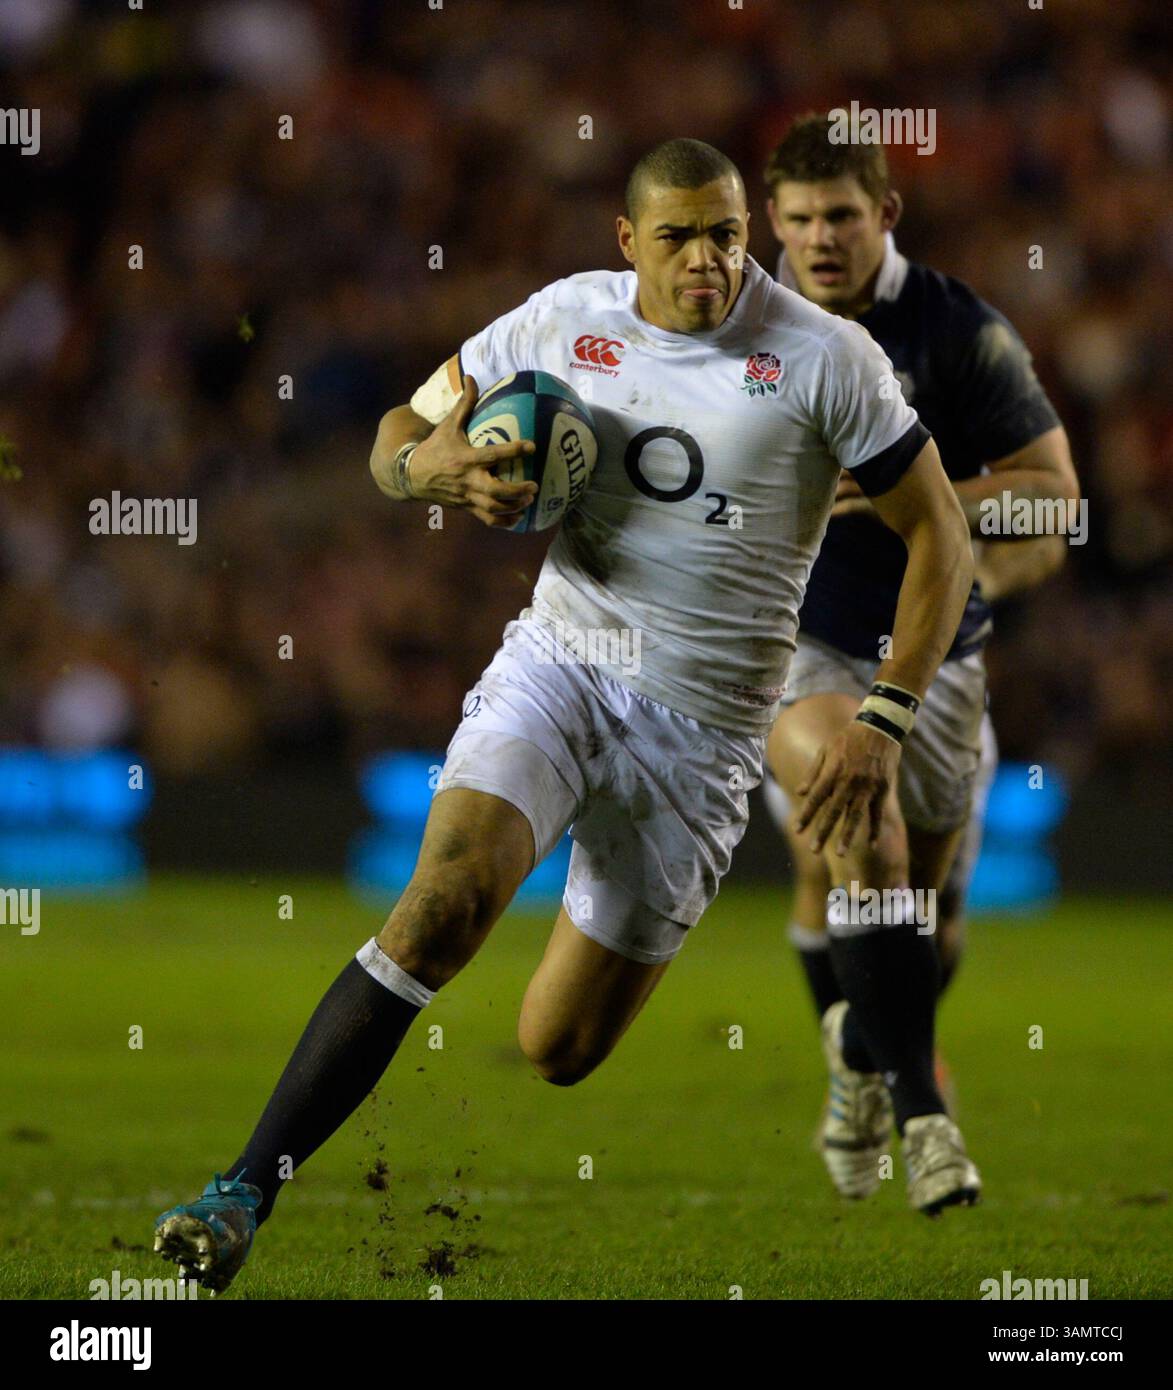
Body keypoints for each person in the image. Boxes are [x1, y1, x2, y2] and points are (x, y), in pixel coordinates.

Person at [154, 137, 976, 1293]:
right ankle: (241, 1189)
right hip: (564, 663)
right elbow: (404, 428)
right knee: (443, 899)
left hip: (705, 736)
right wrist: (429, 471)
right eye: (681, 235)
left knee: (557, 1051)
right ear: (626, 240)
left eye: (728, 234)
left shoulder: (824, 357)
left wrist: (885, 714)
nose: (709, 260)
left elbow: (941, 531)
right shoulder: (562, 321)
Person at [760, 114, 1077, 1201]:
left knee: (927, 928)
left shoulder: (955, 327)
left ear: (884, 212)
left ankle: (858, 1055)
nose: (821, 238)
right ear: (773, 222)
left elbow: (1058, 496)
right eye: (798, 219)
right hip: (798, 645)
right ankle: (925, 1113)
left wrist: (931, 484)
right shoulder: (742, 327)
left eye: (841, 214)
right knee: (865, 842)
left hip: (938, 648)